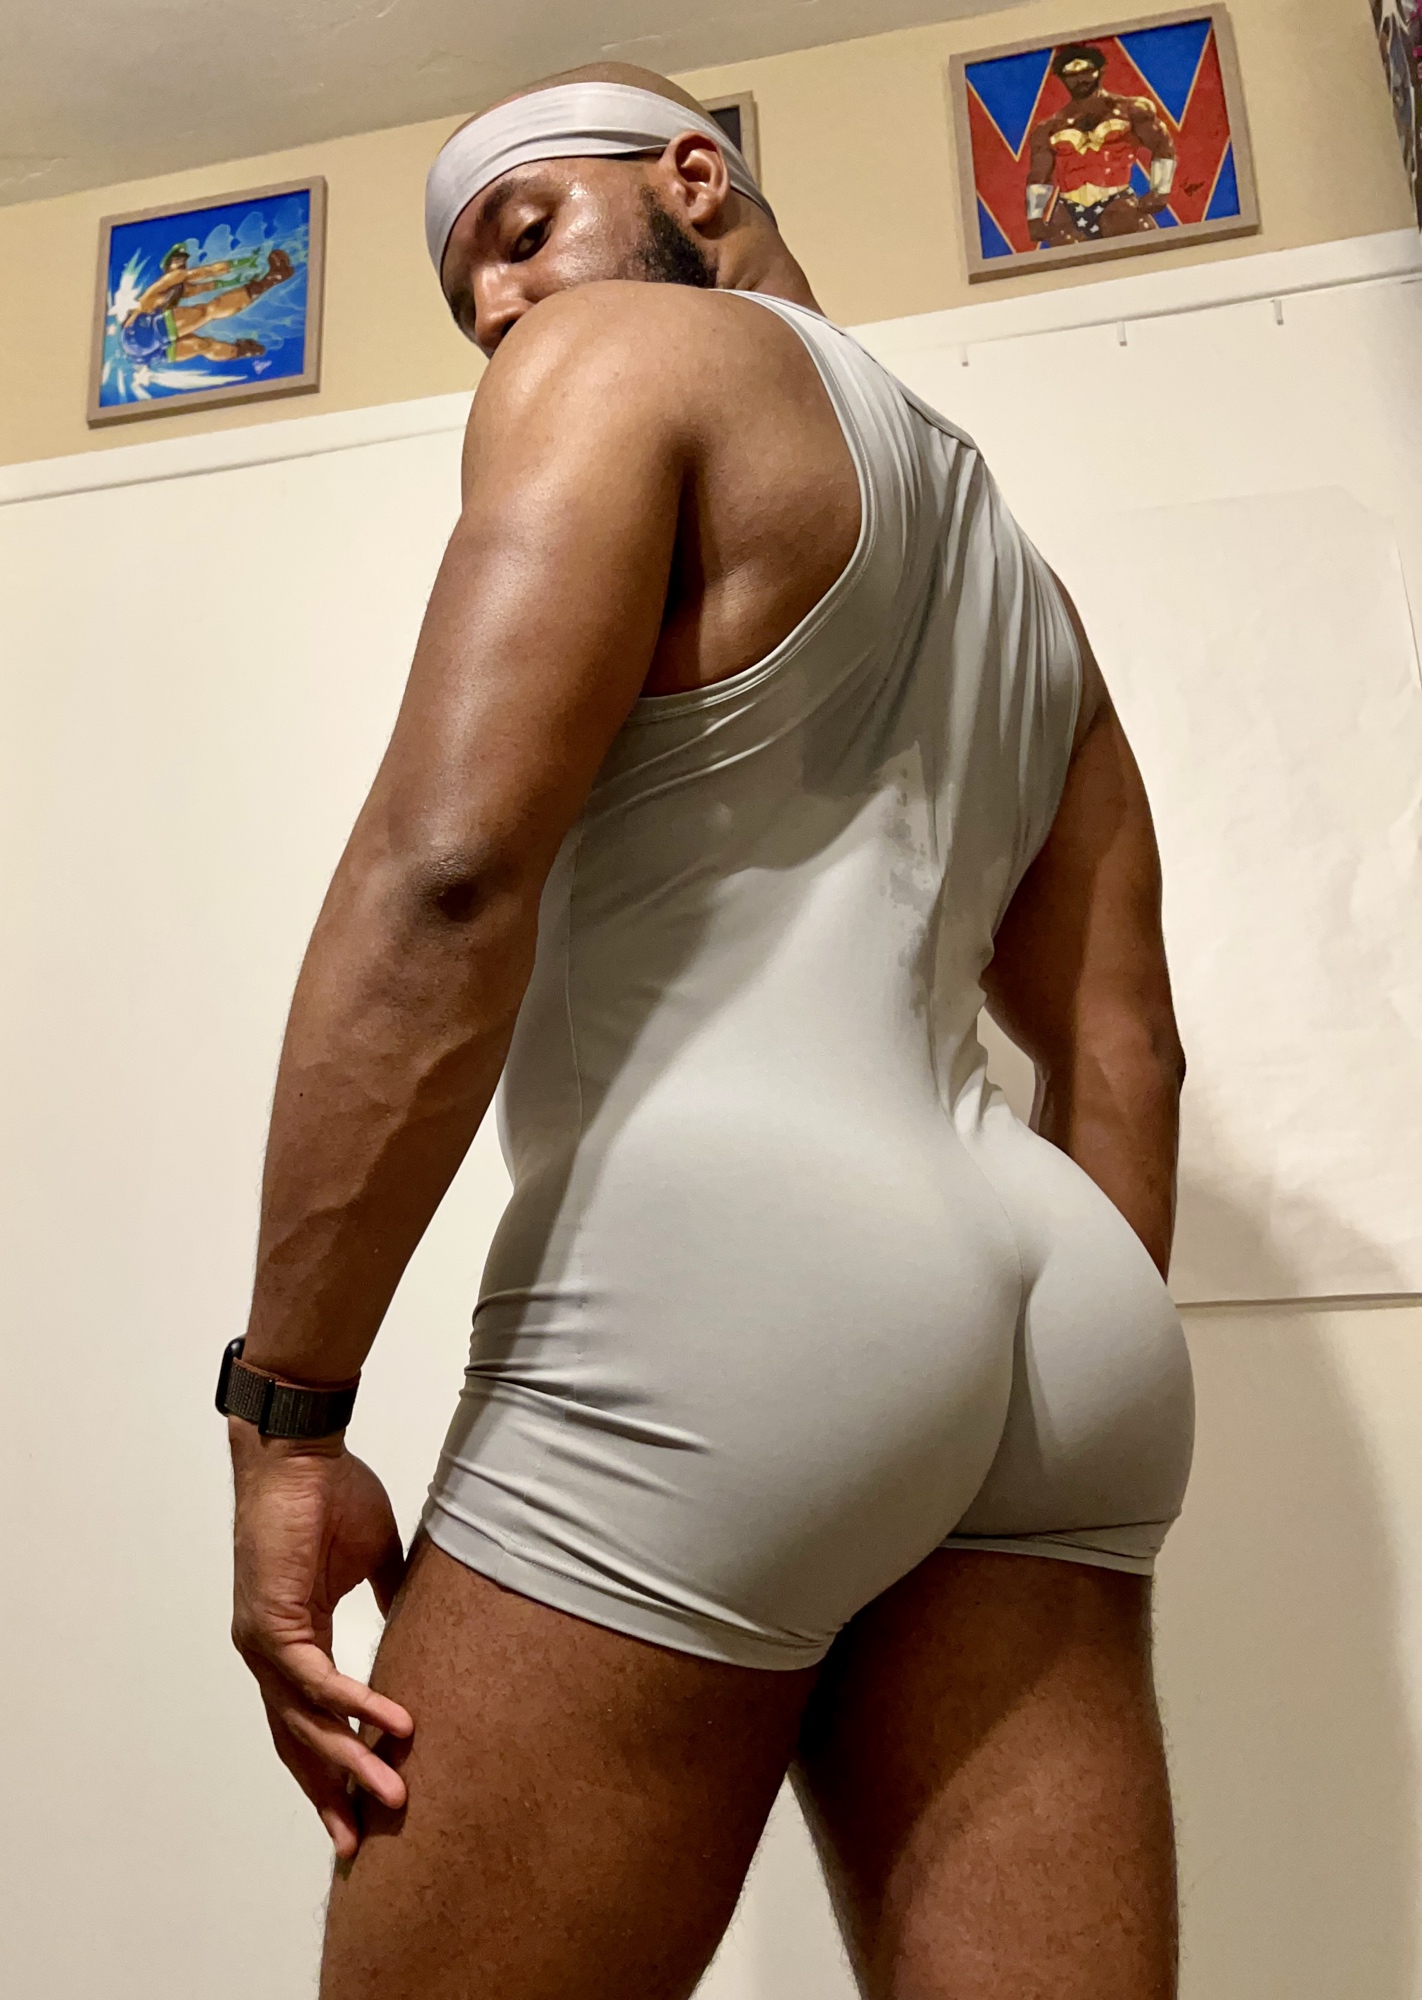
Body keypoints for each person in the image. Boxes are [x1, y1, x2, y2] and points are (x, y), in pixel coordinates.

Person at [223, 59, 1193, 2000]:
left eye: (520, 235)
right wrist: (1003, 1381)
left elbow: (446, 879)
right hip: (1066, 1319)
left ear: (693, 176)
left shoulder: (626, 361)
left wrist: (287, 1418)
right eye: (474, 296)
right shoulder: (1020, 581)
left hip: (724, 1272)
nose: (504, 304)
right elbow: (1126, 1049)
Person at [1026, 44, 1177, 245]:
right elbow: (1039, 174)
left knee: (1143, 255)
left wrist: (1160, 190)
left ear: (1100, 70)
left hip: (1118, 204)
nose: (1080, 79)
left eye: (1086, 71)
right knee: (1070, 262)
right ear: (1062, 78)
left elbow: (1162, 144)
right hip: (1068, 212)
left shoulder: (1130, 110)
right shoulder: (1049, 128)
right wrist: (1035, 217)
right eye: (1071, 75)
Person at [119, 242, 292, 367]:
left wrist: (242, 273)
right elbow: (209, 272)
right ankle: (272, 278)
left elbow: (211, 282)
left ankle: (242, 351)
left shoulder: (182, 286)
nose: (182, 264)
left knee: (201, 345)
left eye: (183, 261)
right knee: (207, 312)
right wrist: (248, 263)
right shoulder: (162, 288)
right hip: (142, 334)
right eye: (178, 261)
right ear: (169, 266)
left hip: (144, 353)